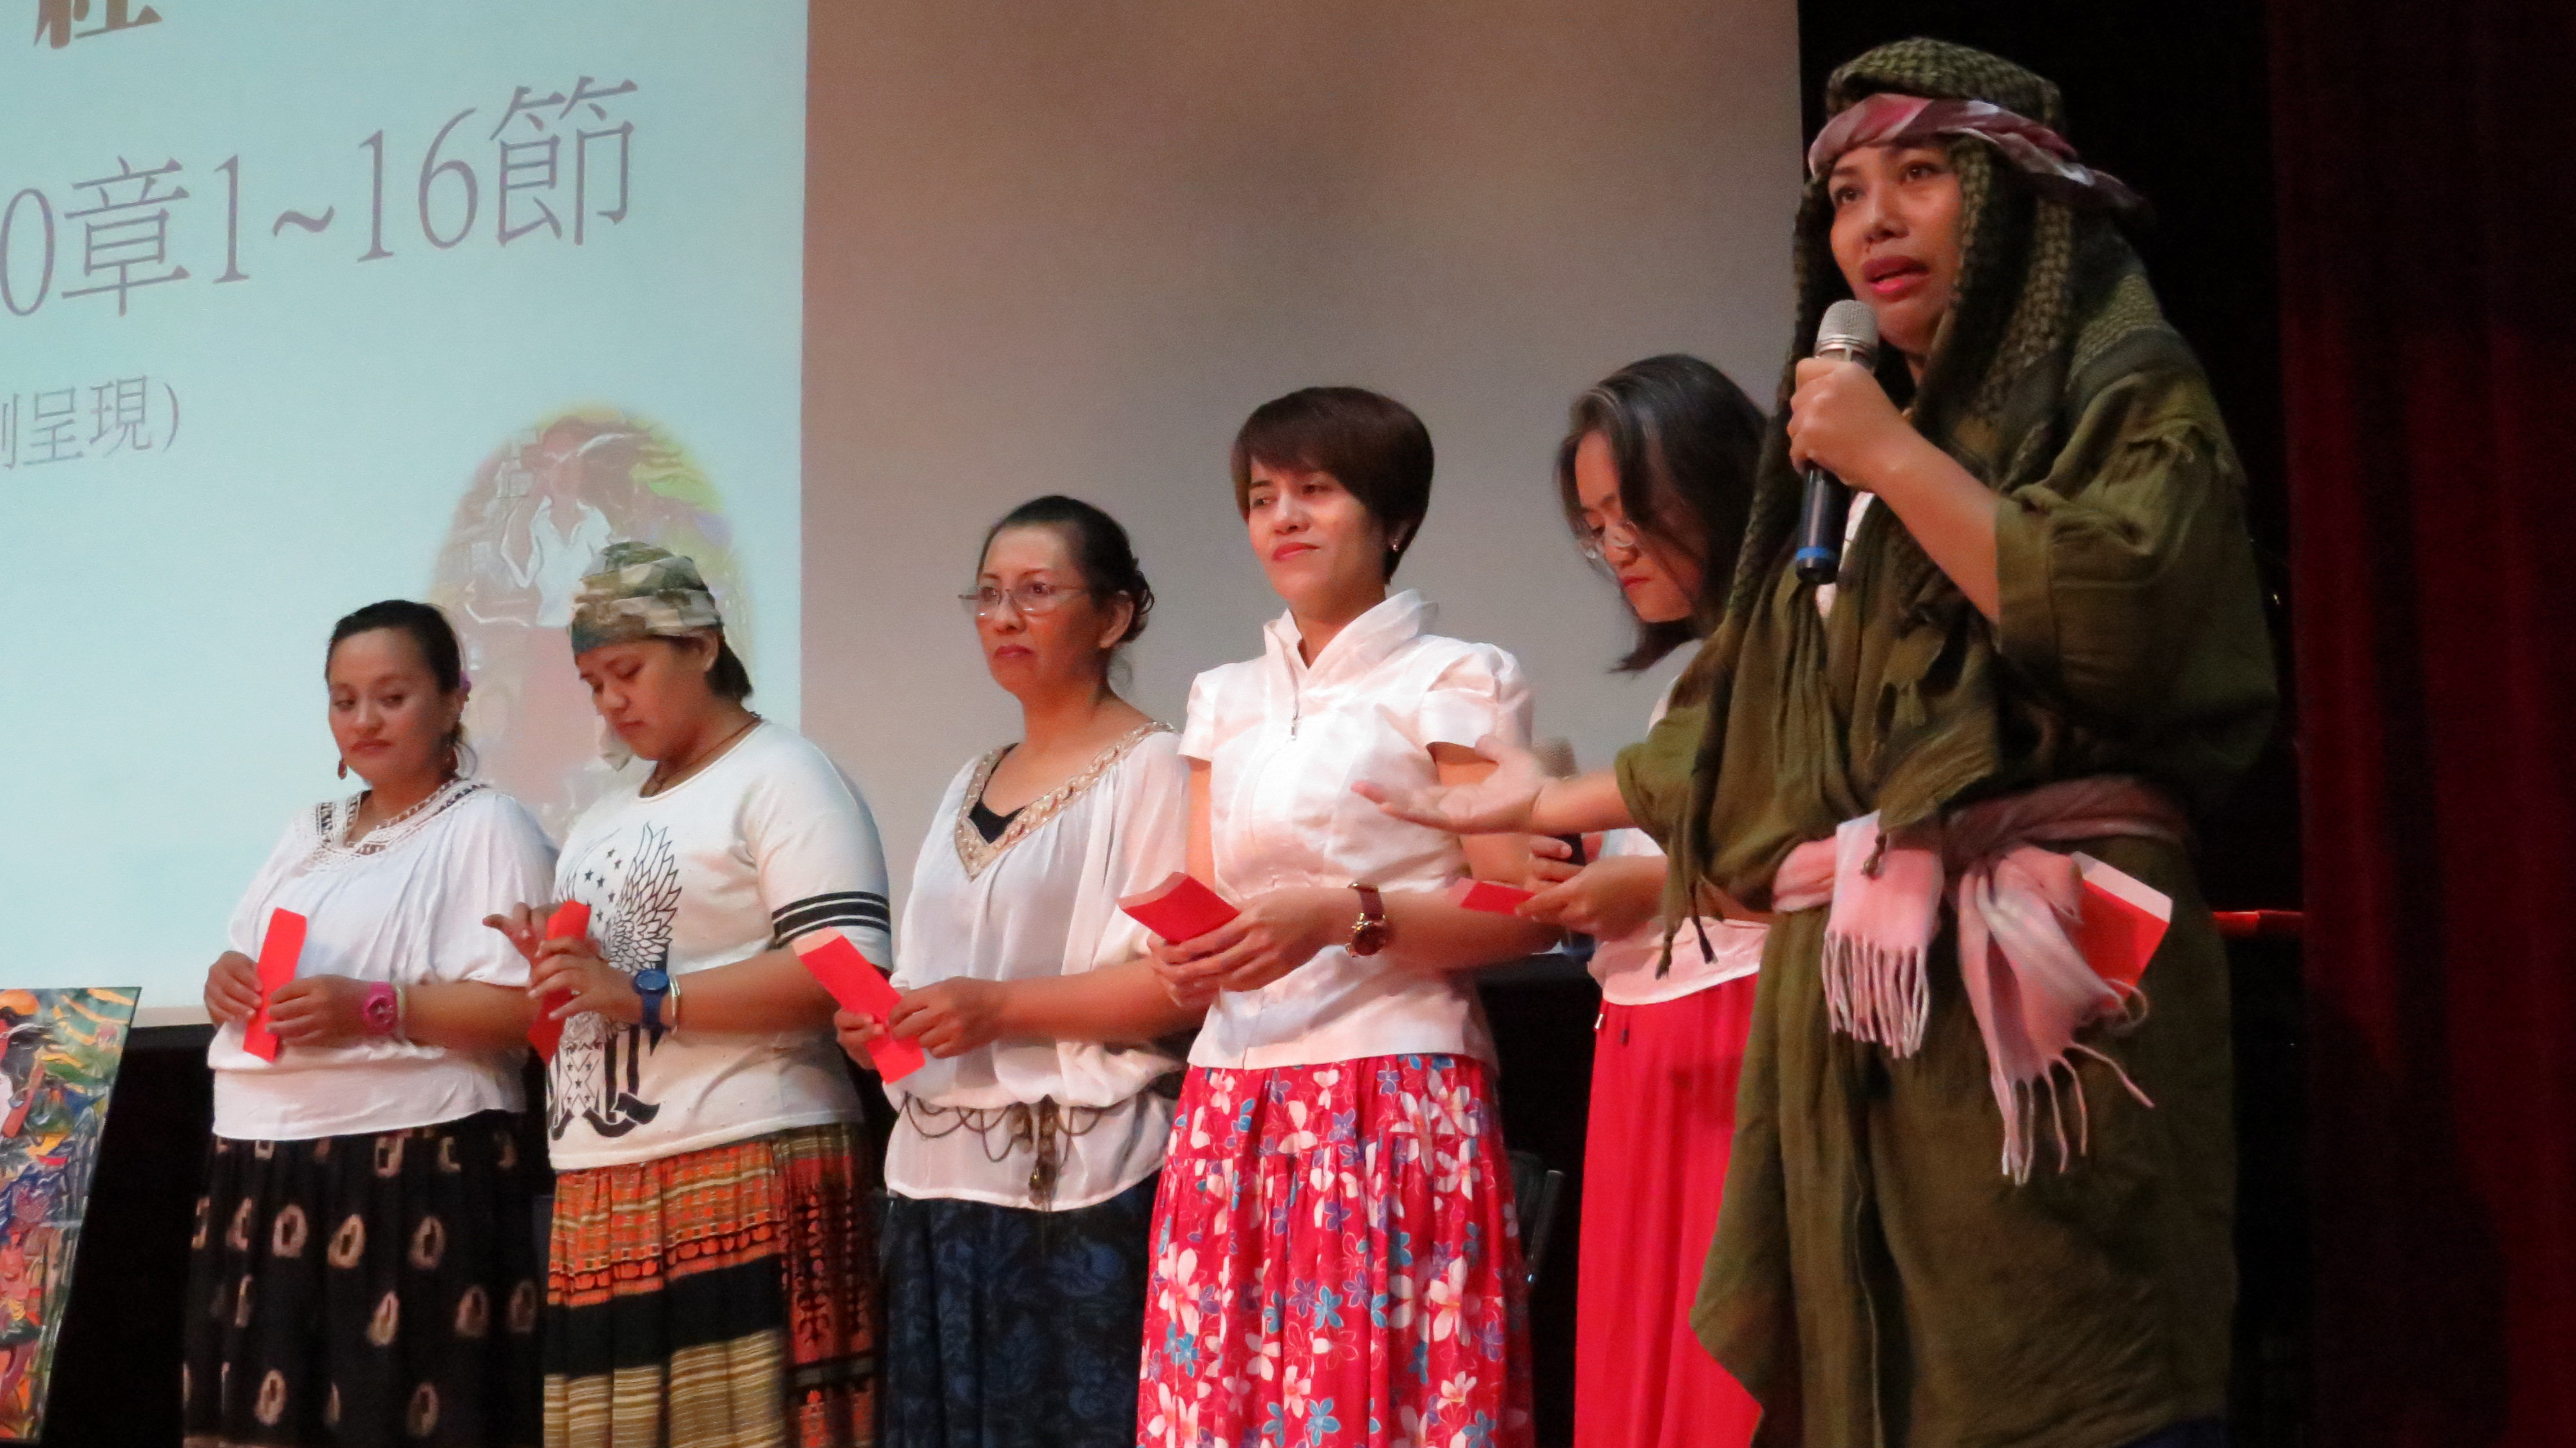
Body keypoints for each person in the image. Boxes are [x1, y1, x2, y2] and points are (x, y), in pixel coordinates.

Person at [1363, 40, 2276, 1448]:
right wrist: (1544, 797)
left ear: (2013, 202)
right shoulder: (1843, 467)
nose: (1875, 220)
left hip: (2052, 978)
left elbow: (2125, 619)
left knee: (2061, 1354)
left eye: (1921, 175)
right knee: (1873, 1371)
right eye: (1848, 193)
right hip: (1869, 1003)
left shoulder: (2117, 390)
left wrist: (1891, 459)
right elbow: (1766, 734)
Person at [1134, 388, 1557, 1448]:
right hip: (1231, 1099)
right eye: (1262, 496)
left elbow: (1521, 912)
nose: (1283, 517)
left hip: (1392, 1088)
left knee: (1373, 1408)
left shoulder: (1454, 676)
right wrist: (1190, 958)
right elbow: (1210, 903)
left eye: (1316, 491)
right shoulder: (1224, 694)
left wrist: (1347, 916)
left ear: (1394, 518)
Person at [486, 542, 889, 1448]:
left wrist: (642, 995)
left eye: (628, 672)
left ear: (703, 646)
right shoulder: (599, 818)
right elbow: (593, 1015)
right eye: (593, 683)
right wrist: (560, 975)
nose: (610, 701)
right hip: (604, 1192)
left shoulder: (784, 775)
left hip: (747, 1162)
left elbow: (845, 970)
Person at [838, 495, 1200, 1448]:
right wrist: (888, 1022)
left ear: (1113, 615)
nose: (1005, 617)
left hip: (1082, 1184)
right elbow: (937, 972)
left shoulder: (1156, 766)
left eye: (1037, 592)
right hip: (941, 1178)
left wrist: (997, 1010)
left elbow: (1176, 986)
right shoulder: (972, 776)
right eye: (989, 595)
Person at [187, 600, 554, 1448]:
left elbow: (532, 1009)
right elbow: (247, 954)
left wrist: (375, 1008)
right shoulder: (306, 831)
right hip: (260, 1158)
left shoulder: (488, 823)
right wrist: (225, 981)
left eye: (392, 697)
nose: (365, 721)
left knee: (394, 1410)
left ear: (454, 699)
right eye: (344, 700)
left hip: (411, 1158)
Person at [1531, 356, 1769, 1448]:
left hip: (1733, 1046)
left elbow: (1822, 859)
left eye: (1635, 515)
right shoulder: (1691, 675)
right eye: (1596, 529)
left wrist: (1646, 884)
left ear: (1719, 486)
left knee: (1723, 1382)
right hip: (1651, 1045)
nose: (1617, 549)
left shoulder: (1791, 647)